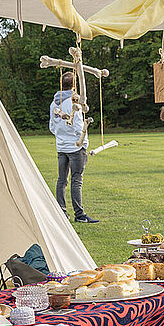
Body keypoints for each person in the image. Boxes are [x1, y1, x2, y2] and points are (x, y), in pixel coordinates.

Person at [49, 72, 98, 223]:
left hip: (61, 146)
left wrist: (61, 136)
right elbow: (77, 126)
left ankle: (61, 212)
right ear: (75, 85)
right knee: (76, 180)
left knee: (61, 180)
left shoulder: (54, 103)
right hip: (75, 147)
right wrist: (82, 141)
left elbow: (52, 126)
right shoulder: (72, 103)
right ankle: (80, 215)